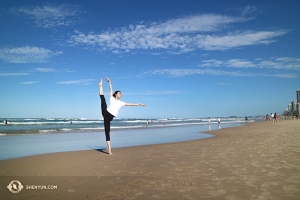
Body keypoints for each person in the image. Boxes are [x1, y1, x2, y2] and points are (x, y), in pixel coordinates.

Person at [98, 77, 146, 155]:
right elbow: (110, 90)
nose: (121, 94)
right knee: (103, 99)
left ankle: (108, 148)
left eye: (121, 94)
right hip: (105, 112)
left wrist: (140, 104)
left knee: (107, 132)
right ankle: (109, 150)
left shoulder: (121, 103)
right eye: (119, 93)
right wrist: (109, 82)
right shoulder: (112, 98)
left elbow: (131, 104)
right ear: (116, 94)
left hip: (109, 117)